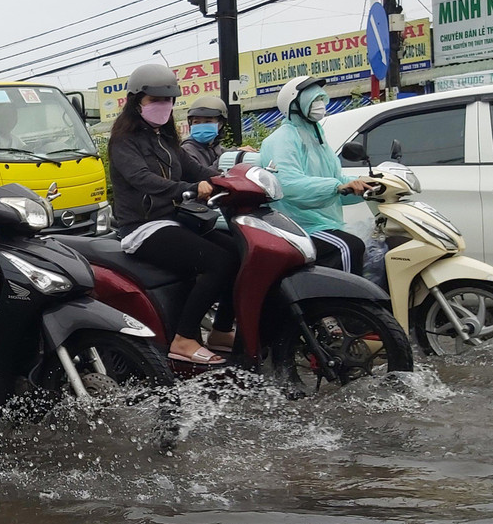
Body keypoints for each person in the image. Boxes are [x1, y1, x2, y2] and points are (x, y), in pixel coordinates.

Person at [107, 62, 238, 367]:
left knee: (238, 251)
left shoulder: (166, 140)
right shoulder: (123, 141)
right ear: (136, 101)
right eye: (155, 100)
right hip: (141, 228)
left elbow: (199, 170)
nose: (163, 106)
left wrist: (231, 180)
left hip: (174, 221)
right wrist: (188, 188)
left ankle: (220, 330)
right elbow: (142, 179)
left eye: (167, 100)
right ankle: (184, 338)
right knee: (218, 262)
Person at [258, 75, 370, 274]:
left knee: (374, 243)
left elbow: (334, 181)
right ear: (294, 104)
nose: (320, 104)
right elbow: (287, 183)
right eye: (313, 99)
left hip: (323, 223)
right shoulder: (282, 139)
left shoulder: (316, 136)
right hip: (299, 225)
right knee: (348, 247)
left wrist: (360, 185)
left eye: (321, 99)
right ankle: (345, 304)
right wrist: (337, 187)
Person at [182, 95, 228, 173]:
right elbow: (199, 176)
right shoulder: (186, 151)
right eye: (196, 122)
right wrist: (227, 158)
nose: (201, 126)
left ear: (220, 124)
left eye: (208, 122)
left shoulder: (218, 149)